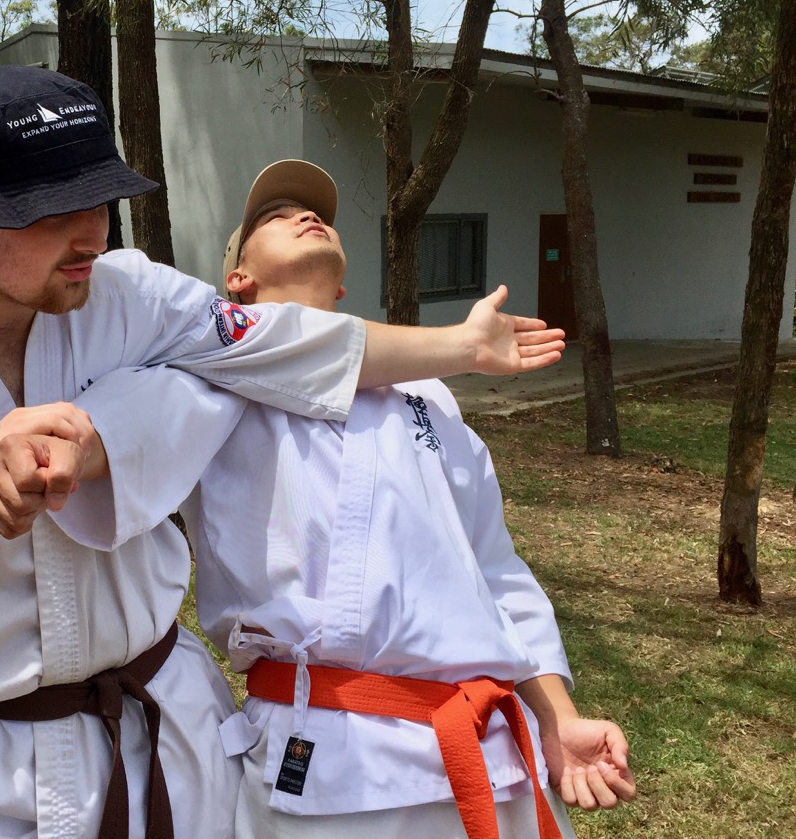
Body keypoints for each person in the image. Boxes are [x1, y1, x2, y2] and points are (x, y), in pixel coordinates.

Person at [0, 68, 564, 839]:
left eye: (100, 201)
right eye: (57, 211)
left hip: (166, 733)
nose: (93, 232)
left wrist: (460, 347)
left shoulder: (127, 298)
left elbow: (288, 346)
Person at [54, 160, 634, 839]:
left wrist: (558, 720)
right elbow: (108, 438)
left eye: (316, 214)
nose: (306, 215)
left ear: (344, 283)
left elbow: (495, 571)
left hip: (491, 757)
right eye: (274, 218)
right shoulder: (206, 383)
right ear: (237, 282)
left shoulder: (430, 395)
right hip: (330, 764)